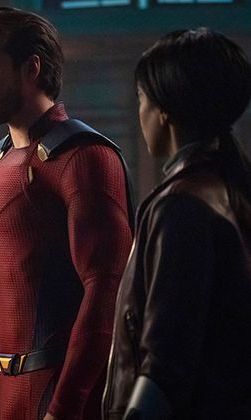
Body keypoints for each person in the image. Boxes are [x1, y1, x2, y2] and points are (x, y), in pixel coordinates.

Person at [0, 7, 133, 420]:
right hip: (5, 398)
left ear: (31, 68)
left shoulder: (85, 158)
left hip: (62, 395)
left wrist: (65, 406)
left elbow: (105, 291)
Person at [103, 28, 251, 420]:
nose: (140, 112)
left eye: (141, 98)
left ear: (163, 110)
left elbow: (165, 361)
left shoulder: (181, 206)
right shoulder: (228, 188)